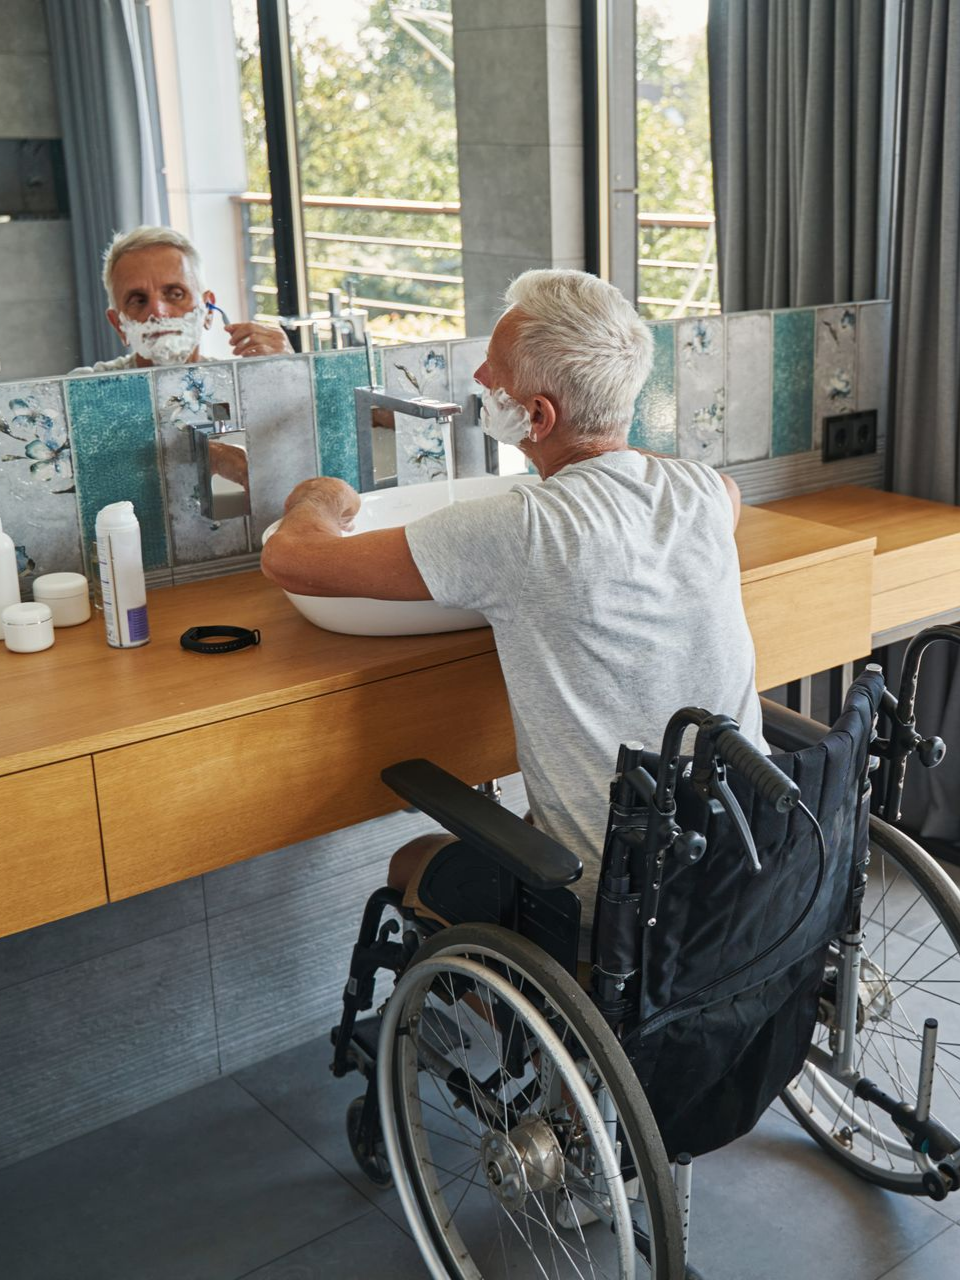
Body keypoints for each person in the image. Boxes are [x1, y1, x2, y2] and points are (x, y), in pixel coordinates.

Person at [261, 268, 766, 956]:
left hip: (607, 906)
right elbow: (675, 483)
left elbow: (291, 561)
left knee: (413, 861)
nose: (477, 373)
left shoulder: (516, 529)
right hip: (743, 870)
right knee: (535, 815)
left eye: (492, 372)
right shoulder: (706, 493)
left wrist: (319, 497)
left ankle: (517, 1021)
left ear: (538, 417)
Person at [70, 225, 293, 374]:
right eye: (138, 300)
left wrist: (293, 373)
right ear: (119, 325)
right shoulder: (83, 391)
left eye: (175, 294)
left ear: (208, 310)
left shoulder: (241, 387)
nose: (158, 312)